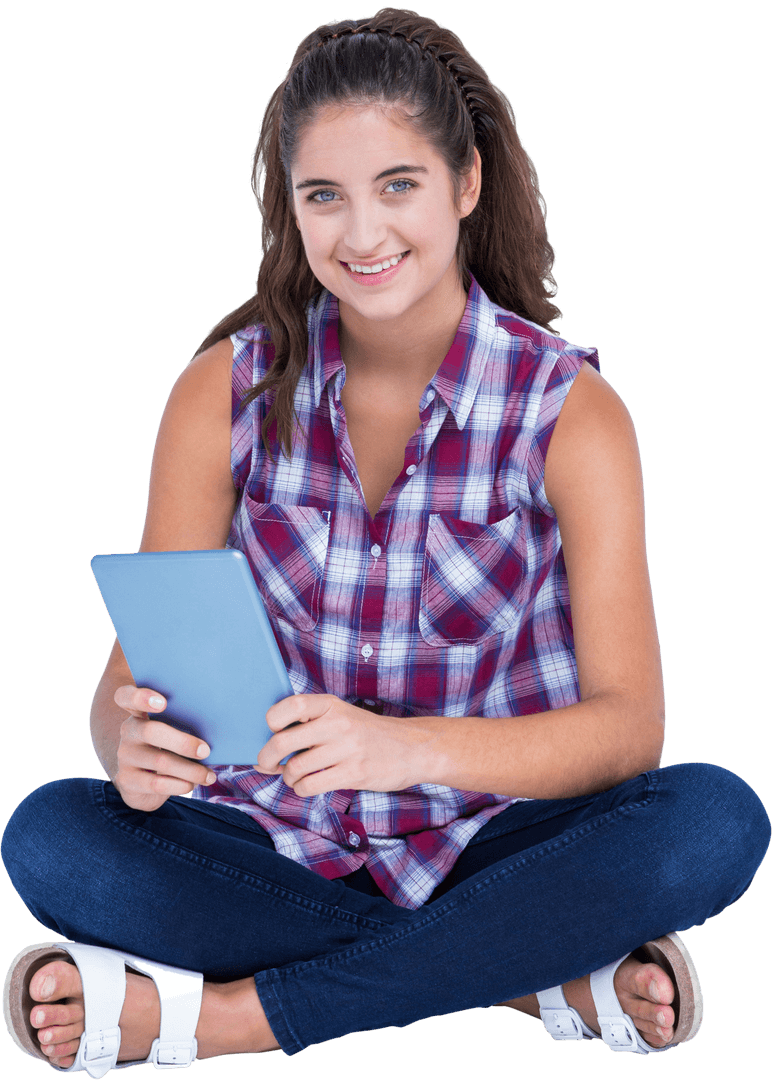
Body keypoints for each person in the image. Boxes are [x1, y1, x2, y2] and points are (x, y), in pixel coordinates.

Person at [2, 6, 769, 1073]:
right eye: (326, 197)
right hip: (273, 845)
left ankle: (224, 1019)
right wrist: (126, 751)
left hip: (492, 844)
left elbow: (629, 729)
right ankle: (525, 981)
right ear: (293, 210)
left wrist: (399, 746)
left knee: (711, 823)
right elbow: (128, 687)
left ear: (465, 185)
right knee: (54, 840)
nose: (361, 236)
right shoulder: (218, 393)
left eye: (397, 185)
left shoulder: (570, 413)